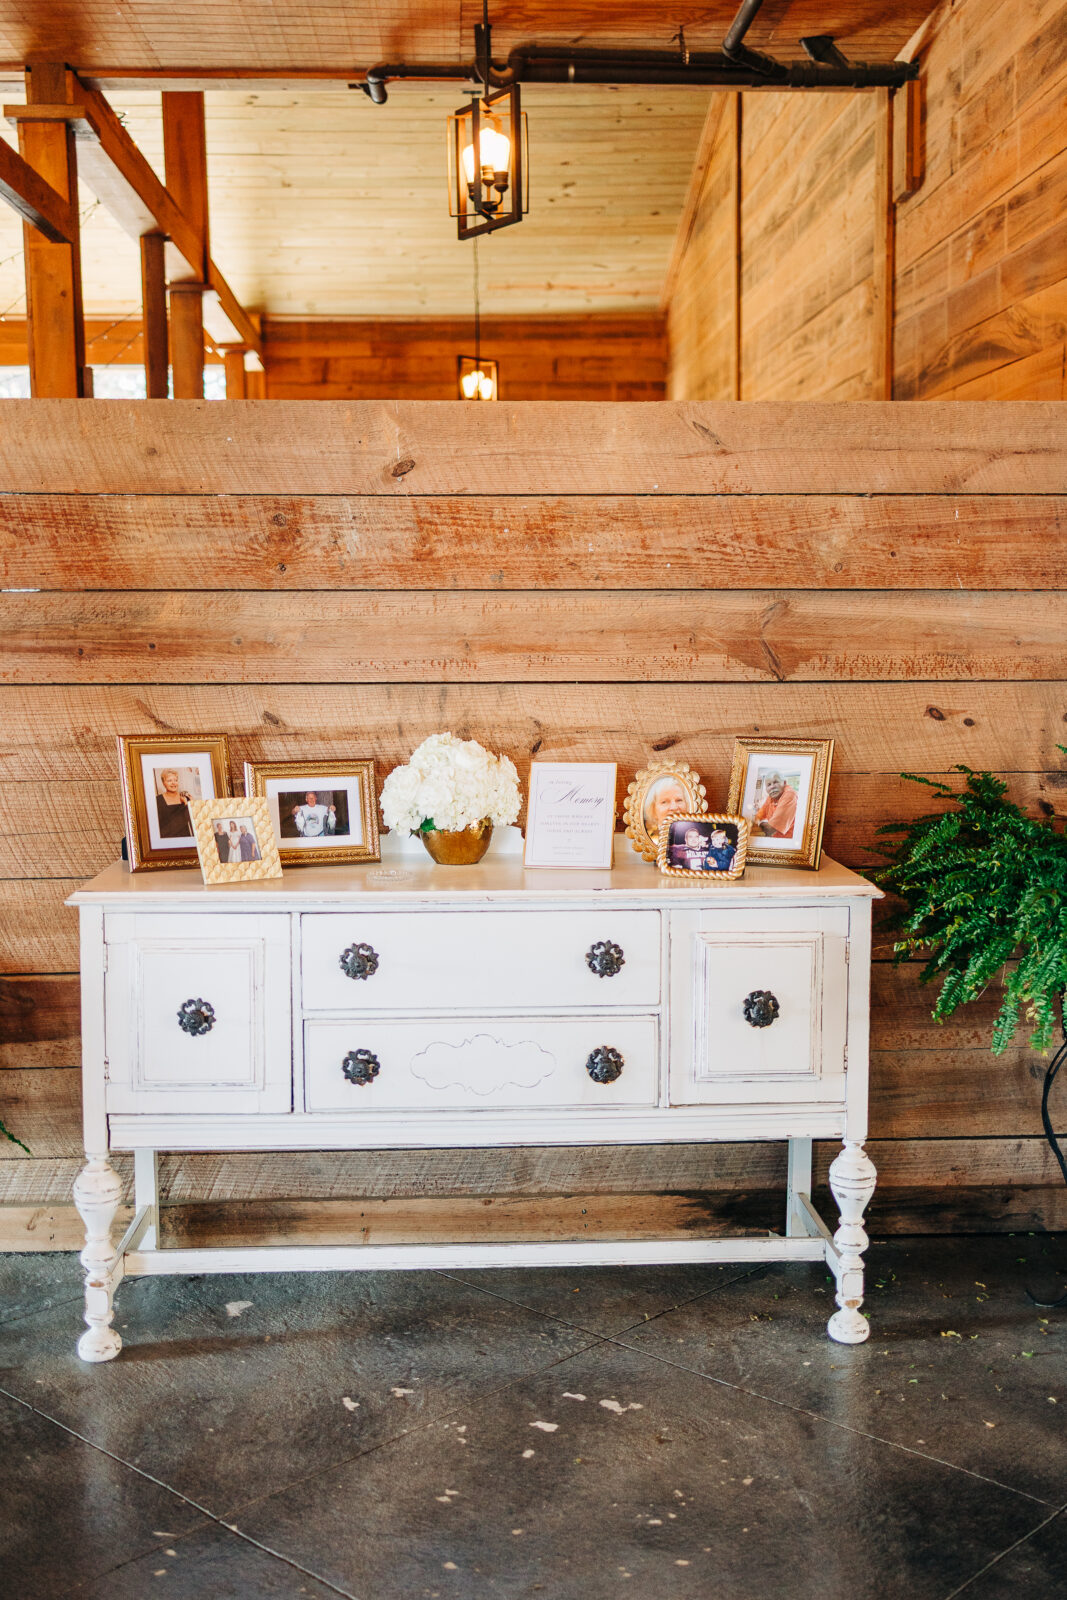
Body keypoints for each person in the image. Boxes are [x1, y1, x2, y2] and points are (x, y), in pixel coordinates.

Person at [642, 776, 688, 845]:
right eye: (664, 802)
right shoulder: (648, 843)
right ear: (653, 810)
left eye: (679, 800)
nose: (674, 807)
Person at [754, 772, 797, 839]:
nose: (772, 787)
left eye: (776, 782)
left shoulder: (789, 794)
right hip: (774, 839)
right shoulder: (771, 796)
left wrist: (759, 823)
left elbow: (770, 829)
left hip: (786, 842)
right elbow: (758, 816)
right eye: (769, 784)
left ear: (784, 783)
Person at [156, 767, 195, 839]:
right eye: (169, 780)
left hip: (186, 839)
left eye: (175, 780)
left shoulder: (186, 797)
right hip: (167, 841)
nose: (173, 783)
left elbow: (195, 821)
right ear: (163, 783)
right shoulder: (157, 800)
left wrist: (191, 804)